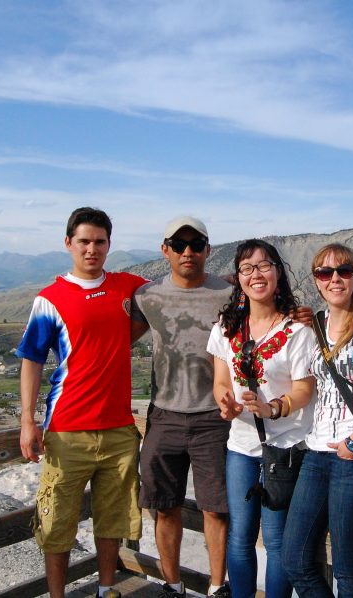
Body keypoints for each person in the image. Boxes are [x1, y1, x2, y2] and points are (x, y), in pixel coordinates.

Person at [17, 207, 147, 598]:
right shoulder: (50, 299)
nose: (92, 249)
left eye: (100, 242)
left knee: (112, 519)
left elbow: (178, 289)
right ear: (68, 243)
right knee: (57, 522)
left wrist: (232, 281)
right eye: (84, 241)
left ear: (110, 244)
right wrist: (27, 420)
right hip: (67, 428)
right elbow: (32, 360)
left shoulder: (129, 285)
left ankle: (107, 588)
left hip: (119, 429)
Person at [281, 243, 353, 598]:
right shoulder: (314, 325)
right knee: (295, 559)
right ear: (316, 281)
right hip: (316, 454)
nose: (335, 279)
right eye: (325, 273)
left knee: (348, 568)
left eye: (343, 271)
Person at [207, 239, 316, 598]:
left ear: (278, 272)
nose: (256, 274)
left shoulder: (297, 331)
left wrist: (273, 408)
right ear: (238, 277)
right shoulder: (226, 327)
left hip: (283, 448)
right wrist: (227, 403)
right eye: (247, 268)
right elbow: (221, 381)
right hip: (240, 446)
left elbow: (305, 389)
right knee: (239, 537)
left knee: (276, 541)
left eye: (264, 265)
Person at [131, 216, 233, 598]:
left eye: (195, 244)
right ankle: (172, 584)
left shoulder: (230, 294)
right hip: (164, 415)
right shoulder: (147, 298)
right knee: (164, 506)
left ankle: (217, 585)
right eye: (179, 245)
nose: (187, 252)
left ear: (207, 249)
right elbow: (113, 340)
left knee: (216, 508)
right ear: (165, 251)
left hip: (215, 417)